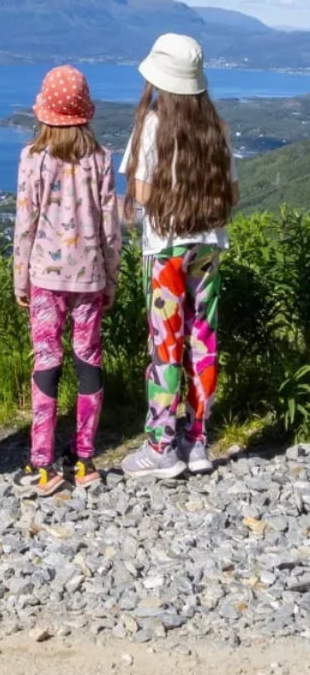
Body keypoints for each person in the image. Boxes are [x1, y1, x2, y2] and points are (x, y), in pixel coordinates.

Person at [119, 33, 238, 480]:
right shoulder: (218, 129)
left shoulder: (150, 126)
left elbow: (144, 193)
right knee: (202, 342)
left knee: (165, 344)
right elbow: (233, 194)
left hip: (166, 248)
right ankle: (198, 441)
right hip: (207, 247)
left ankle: (160, 446)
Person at [12, 66, 121, 496]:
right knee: (88, 358)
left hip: (45, 275)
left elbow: (26, 222)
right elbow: (111, 226)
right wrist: (110, 277)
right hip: (90, 275)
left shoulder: (33, 159)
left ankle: (43, 462)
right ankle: (86, 458)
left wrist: (21, 278)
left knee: (47, 359)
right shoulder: (100, 159)